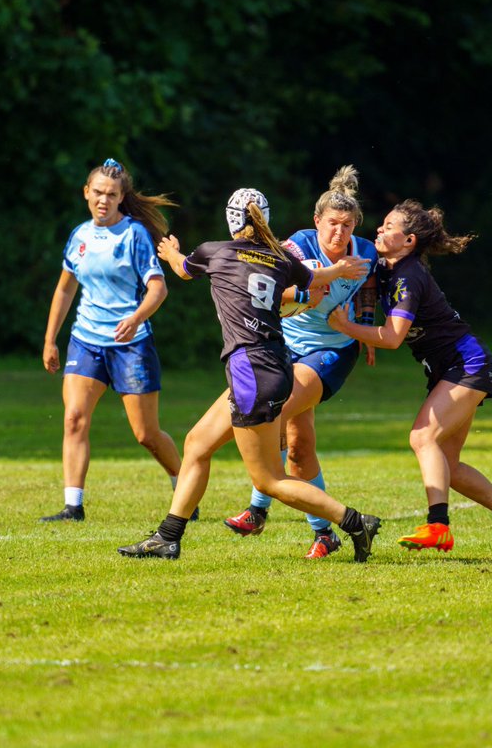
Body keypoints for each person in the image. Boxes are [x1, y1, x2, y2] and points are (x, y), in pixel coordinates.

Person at [117, 188, 382, 561]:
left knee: (270, 479)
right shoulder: (278, 258)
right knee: (197, 443)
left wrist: (171, 251)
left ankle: (355, 522)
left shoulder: (216, 251)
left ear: (231, 220)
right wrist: (337, 271)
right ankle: (168, 536)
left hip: (252, 372)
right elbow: (311, 280)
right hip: (272, 365)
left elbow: (181, 269)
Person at [327, 200, 492, 560]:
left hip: (466, 365)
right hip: (451, 369)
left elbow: (392, 338)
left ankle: (438, 527)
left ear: (408, 241)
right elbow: (366, 280)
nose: (379, 229)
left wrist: (349, 328)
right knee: (448, 466)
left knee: (422, 438)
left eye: (389, 226)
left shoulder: (409, 276)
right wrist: (364, 322)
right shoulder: (385, 264)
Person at [221, 165, 381, 559]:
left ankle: (257, 510)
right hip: (286, 347)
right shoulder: (297, 246)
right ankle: (325, 534)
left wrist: (363, 327)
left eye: (347, 225)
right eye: (332, 224)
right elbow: (279, 286)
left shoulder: (365, 253)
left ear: (355, 225)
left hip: (331, 352)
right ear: (316, 221)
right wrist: (303, 293)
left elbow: (369, 286)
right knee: (299, 447)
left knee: (275, 412)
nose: (338, 233)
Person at [39, 158, 183, 522]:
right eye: (98, 193)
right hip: (86, 340)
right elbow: (65, 288)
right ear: (86, 193)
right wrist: (50, 339)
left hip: (131, 346)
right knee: (73, 418)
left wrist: (135, 319)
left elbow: (158, 288)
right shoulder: (80, 235)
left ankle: (184, 486)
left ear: (122, 198)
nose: (104, 200)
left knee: (146, 434)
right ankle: (73, 506)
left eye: (112, 195)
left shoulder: (134, 235)